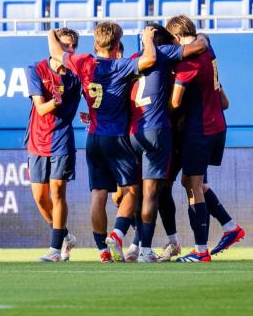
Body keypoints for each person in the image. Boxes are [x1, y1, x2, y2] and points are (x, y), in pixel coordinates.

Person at [48, 22, 157, 263]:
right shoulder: (121, 65)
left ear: (95, 43)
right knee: (132, 190)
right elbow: (149, 58)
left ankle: (102, 252)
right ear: (118, 45)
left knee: (98, 194)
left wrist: (51, 32)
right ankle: (117, 235)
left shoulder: (84, 62)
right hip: (116, 138)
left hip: (93, 137)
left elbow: (56, 52)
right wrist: (147, 37)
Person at [126, 23, 208, 262]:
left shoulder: (133, 60)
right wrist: (202, 35)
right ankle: (144, 250)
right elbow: (199, 46)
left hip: (132, 132)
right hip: (158, 130)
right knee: (154, 191)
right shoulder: (163, 53)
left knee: (136, 191)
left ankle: (135, 242)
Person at [166, 15, 245, 262]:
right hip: (216, 125)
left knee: (192, 186)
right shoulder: (208, 49)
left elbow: (176, 101)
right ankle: (230, 227)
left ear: (177, 38)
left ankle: (201, 251)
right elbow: (223, 99)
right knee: (192, 181)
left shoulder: (187, 63)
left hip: (200, 130)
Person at [24, 28, 81, 262]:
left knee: (58, 191)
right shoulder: (35, 69)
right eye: (64, 45)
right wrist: (54, 102)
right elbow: (40, 108)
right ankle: (64, 235)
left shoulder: (76, 75)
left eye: (71, 47)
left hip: (61, 140)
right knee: (40, 197)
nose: (67, 51)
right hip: (37, 140)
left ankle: (55, 249)